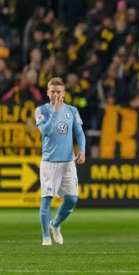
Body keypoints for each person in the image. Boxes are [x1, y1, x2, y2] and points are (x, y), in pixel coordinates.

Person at [35, 77, 86, 246]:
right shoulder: (41, 110)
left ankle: (55, 225)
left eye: (59, 92)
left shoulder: (72, 111)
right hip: (50, 163)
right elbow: (46, 131)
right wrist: (55, 112)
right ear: (48, 93)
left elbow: (79, 133)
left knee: (72, 199)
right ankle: (45, 237)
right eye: (52, 92)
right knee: (46, 201)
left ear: (64, 93)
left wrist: (82, 150)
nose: (56, 94)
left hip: (68, 163)